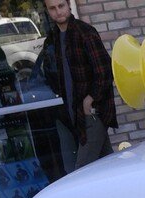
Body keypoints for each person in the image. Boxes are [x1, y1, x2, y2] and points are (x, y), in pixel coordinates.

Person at [41, 0, 117, 173]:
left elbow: (105, 71)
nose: (58, 12)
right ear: (47, 11)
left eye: (61, 6)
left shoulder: (85, 32)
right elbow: (50, 73)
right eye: (53, 8)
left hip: (93, 113)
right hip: (74, 114)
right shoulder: (51, 41)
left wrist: (90, 99)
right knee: (107, 166)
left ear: (69, 5)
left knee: (82, 171)